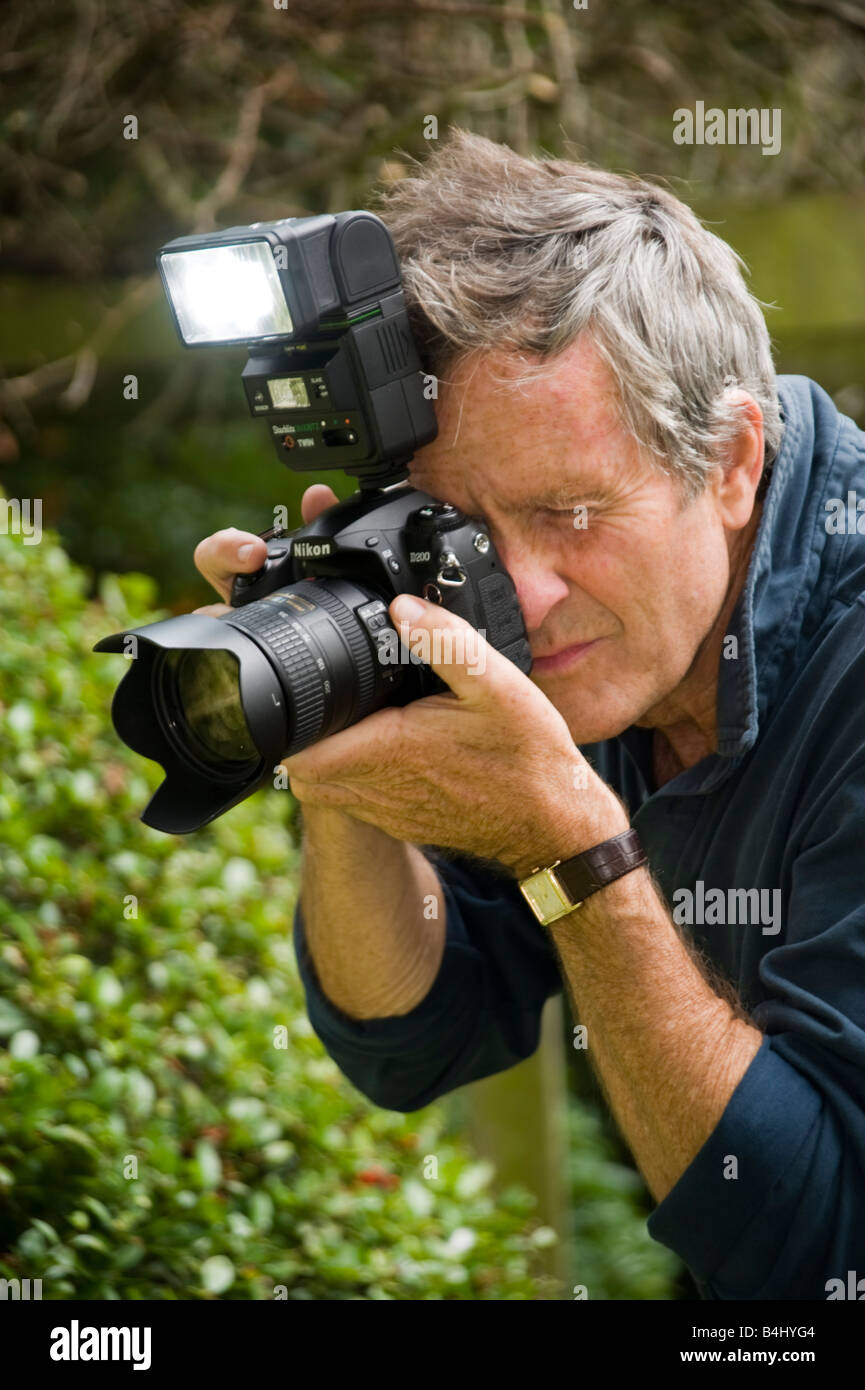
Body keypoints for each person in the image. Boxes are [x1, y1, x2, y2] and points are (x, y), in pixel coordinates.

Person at [193, 130, 865, 1300]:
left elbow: (819, 1256)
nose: (525, 592)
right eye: (463, 526)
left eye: (570, 511)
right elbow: (417, 1035)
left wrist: (574, 850)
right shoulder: (589, 629)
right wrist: (345, 760)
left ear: (733, 463)